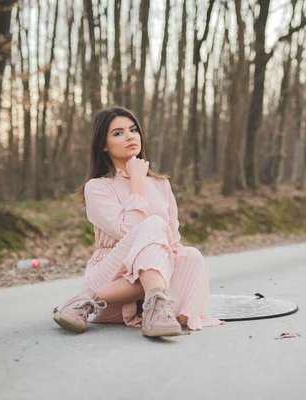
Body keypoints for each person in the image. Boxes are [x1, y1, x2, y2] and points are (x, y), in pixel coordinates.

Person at [53, 106, 223, 337]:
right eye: (118, 133)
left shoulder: (162, 184)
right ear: (103, 145)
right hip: (112, 274)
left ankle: (146, 305)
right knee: (152, 225)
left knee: (191, 255)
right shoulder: (97, 187)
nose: (130, 136)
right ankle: (93, 299)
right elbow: (131, 231)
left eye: (133, 130)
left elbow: (173, 240)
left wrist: (169, 264)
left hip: (152, 279)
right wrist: (137, 181)